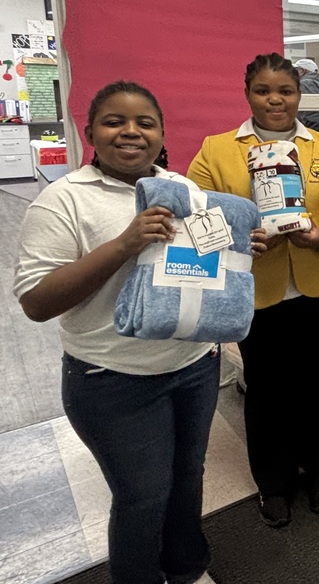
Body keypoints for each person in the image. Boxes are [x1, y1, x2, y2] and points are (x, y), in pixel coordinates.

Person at [14, 81, 227, 584]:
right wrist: (124, 244)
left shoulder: (184, 190)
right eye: (115, 122)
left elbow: (202, 268)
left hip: (193, 366)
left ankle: (188, 567)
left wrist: (237, 249)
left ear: (160, 133)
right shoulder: (62, 200)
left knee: (188, 479)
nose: (131, 132)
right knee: (142, 495)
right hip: (111, 380)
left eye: (145, 122)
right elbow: (37, 302)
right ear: (89, 132)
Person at [187, 53, 319, 528]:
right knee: (266, 390)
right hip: (257, 290)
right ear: (247, 94)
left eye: (285, 91)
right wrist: (237, 238)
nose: (275, 100)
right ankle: (273, 481)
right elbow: (198, 215)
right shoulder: (218, 149)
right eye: (264, 91)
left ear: (299, 95)